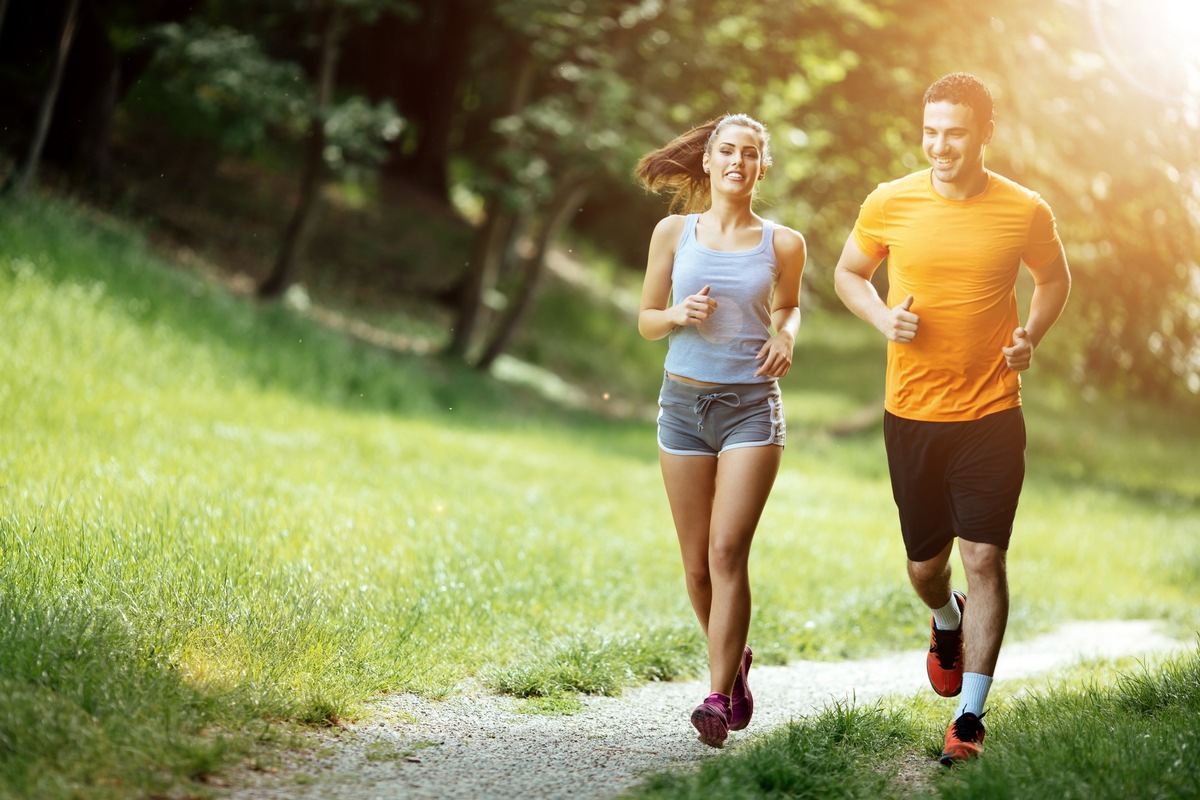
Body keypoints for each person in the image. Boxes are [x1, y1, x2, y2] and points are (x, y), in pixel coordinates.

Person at [833, 72, 1071, 765]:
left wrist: (1032, 334)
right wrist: (884, 316)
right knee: (924, 570)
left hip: (992, 411)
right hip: (912, 413)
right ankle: (945, 620)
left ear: (984, 134)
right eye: (931, 131)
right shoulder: (890, 201)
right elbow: (848, 274)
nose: (940, 145)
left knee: (985, 557)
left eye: (955, 133)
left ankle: (968, 719)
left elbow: (1054, 279)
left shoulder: (1024, 210)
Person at [634, 113, 807, 748]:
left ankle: (713, 696)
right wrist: (679, 312)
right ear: (707, 162)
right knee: (696, 564)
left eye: (751, 153)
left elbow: (788, 305)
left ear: (763, 167)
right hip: (681, 406)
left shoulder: (783, 242)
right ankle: (734, 668)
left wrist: (785, 335)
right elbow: (648, 320)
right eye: (727, 151)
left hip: (750, 411)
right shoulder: (673, 233)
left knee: (727, 551)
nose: (738, 161)